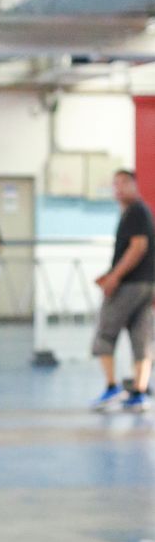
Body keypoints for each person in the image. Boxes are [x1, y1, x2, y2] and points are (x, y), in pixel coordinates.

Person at [91, 169, 154, 412]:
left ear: (134, 185)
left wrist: (114, 278)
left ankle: (112, 387)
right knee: (142, 337)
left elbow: (138, 247)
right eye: (115, 183)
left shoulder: (136, 211)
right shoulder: (137, 212)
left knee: (105, 333)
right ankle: (139, 392)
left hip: (130, 285)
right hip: (146, 284)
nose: (118, 188)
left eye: (124, 183)